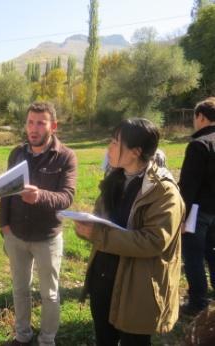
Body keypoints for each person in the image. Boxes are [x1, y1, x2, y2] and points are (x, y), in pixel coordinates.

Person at [74, 118, 185, 346]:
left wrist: (98, 235)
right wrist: (87, 226)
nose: (109, 148)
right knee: (104, 338)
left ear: (135, 152)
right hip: (103, 277)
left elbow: (153, 241)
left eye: (116, 143)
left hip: (138, 288)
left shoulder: (164, 193)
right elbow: (102, 221)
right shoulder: (115, 179)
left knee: (134, 341)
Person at [0, 102, 77, 346]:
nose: (34, 128)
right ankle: (23, 336)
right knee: (20, 290)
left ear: (53, 126)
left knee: (49, 294)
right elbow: (6, 192)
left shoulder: (65, 156)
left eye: (40, 123)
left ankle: (46, 340)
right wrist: (4, 225)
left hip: (47, 238)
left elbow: (67, 197)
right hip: (16, 235)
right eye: (30, 122)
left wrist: (39, 196)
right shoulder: (17, 153)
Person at [179, 97, 215, 315]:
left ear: (201, 117)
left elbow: (188, 185)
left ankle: (198, 302)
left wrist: (181, 217)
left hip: (197, 211)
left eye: (195, 117)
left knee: (193, 255)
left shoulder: (198, 145)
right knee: (213, 252)